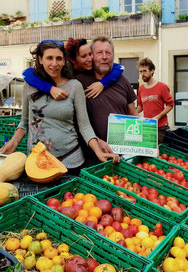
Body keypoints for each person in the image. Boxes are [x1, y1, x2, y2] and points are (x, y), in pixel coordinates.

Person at [0, 41, 118, 173]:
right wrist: (13, 143)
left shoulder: (75, 86)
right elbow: (24, 123)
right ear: (40, 59)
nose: (54, 64)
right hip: (37, 163)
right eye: (49, 58)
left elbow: (84, 126)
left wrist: (98, 152)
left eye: (59, 58)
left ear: (64, 61)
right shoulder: (29, 86)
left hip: (70, 162)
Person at [76, 36, 138, 149]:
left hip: (122, 151)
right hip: (91, 155)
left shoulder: (123, 81)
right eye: (99, 53)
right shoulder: (79, 82)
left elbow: (133, 114)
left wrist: (150, 143)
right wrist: (96, 141)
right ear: (92, 56)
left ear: (113, 56)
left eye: (108, 53)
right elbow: (74, 121)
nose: (104, 57)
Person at [22, 37, 124, 100]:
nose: (90, 59)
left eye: (90, 54)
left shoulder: (92, 64)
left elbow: (119, 67)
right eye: (84, 56)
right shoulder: (62, 67)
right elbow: (27, 73)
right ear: (72, 59)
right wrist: (50, 88)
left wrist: (102, 83)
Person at [137, 57, 174, 144]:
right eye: (141, 71)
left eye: (145, 71)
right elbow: (140, 106)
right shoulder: (141, 89)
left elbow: (170, 105)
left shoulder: (162, 87)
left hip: (160, 127)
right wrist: (130, 115)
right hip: (147, 126)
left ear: (152, 71)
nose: (142, 74)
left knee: (159, 154)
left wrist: (158, 117)